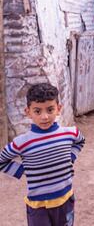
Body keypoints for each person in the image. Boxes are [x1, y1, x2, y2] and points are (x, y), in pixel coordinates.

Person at [0, 83, 85, 226]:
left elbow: (80, 141)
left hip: (65, 199)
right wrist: (23, 170)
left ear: (59, 109)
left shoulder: (70, 133)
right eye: (37, 111)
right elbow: (2, 161)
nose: (45, 117)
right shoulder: (21, 143)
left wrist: (70, 157)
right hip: (39, 206)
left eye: (50, 109)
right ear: (28, 112)